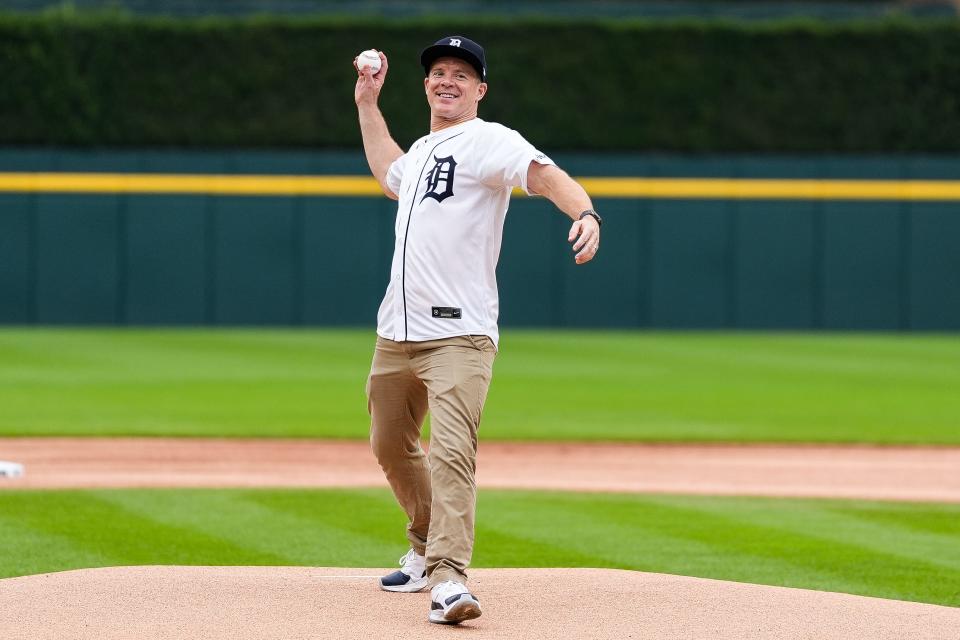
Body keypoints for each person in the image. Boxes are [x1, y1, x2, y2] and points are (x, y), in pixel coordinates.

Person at [353, 35, 602, 625]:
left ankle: (448, 578)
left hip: (461, 333)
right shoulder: (420, 150)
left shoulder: (491, 139)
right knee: (389, 445)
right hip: (397, 331)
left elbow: (542, 175)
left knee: (452, 451)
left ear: (480, 89)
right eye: (438, 72)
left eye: (461, 75)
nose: (447, 80)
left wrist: (585, 211)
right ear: (425, 85)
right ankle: (421, 545)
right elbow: (391, 170)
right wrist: (367, 102)